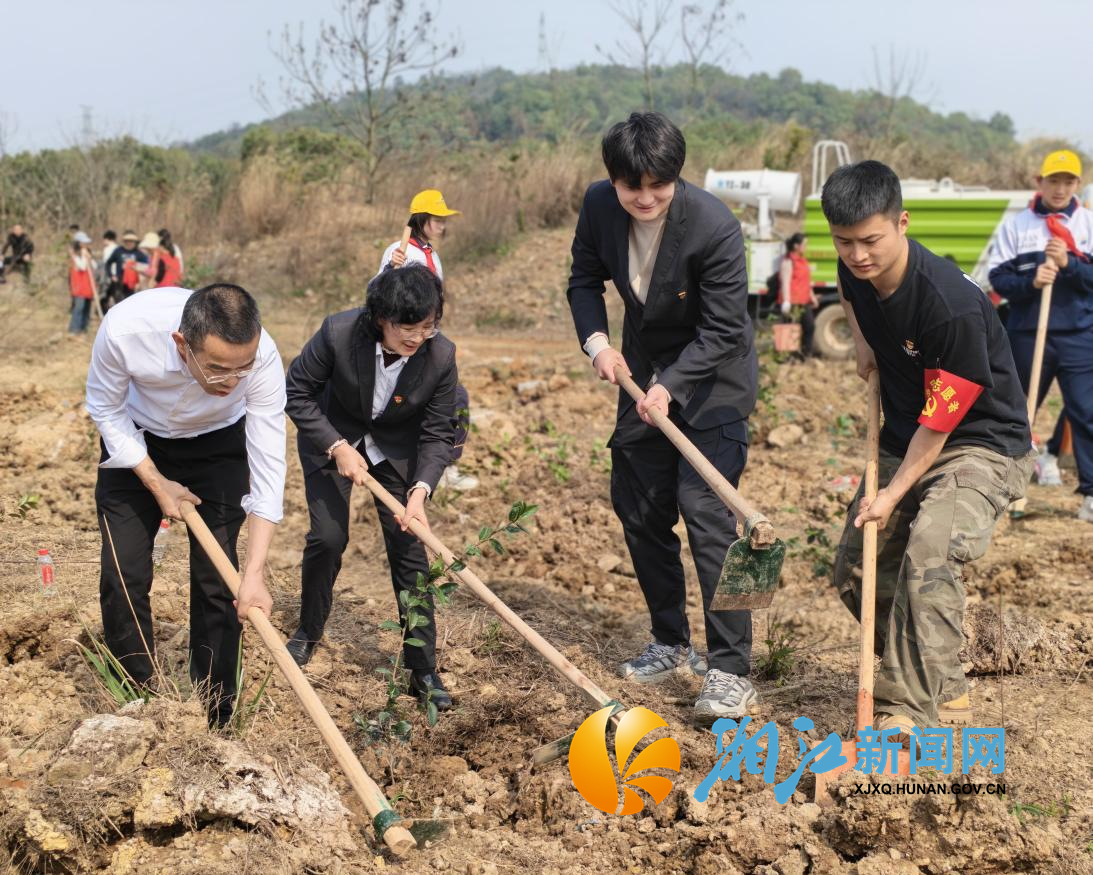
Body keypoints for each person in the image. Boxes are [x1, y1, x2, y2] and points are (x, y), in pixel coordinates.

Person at [823, 160, 1035, 737]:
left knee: (930, 552)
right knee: (855, 569)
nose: (858, 255)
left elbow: (940, 429)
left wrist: (891, 495)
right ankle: (938, 670)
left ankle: (907, 711)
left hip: (981, 445)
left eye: (871, 240)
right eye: (845, 242)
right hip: (907, 434)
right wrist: (865, 344)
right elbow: (846, 287)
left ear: (902, 222)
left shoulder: (948, 307)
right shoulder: (854, 272)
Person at [567, 112, 759, 725]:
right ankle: (671, 640)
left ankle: (732, 669)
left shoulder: (713, 225)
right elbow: (582, 281)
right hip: (640, 372)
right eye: (632, 188)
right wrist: (598, 343)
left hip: (715, 381)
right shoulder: (599, 207)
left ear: (677, 177)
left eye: (659, 186)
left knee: (706, 514)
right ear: (613, 181)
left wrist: (671, 386)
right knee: (641, 505)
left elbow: (726, 328)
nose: (645, 199)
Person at [85, 284, 287, 727]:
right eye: (216, 370)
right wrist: (157, 483)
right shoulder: (125, 330)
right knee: (123, 571)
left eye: (242, 370)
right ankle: (137, 699)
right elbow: (104, 405)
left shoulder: (264, 357)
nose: (231, 382)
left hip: (217, 446)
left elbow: (270, 462)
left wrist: (253, 575)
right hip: (136, 442)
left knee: (221, 581)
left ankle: (217, 712)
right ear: (182, 344)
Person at [284, 265, 456, 712]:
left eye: (428, 326)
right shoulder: (339, 334)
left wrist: (419, 492)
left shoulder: (440, 356)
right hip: (332, 439)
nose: (418, 337)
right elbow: (297, 391)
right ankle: (308, 632)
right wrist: (337, 446)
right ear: (381, 317)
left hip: (396, 451)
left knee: (410, 549)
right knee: (328, 537)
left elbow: (439, 432)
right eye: (407, 327)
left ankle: (423, 669)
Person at [988, 149, 1093, 522]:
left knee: (1086, 413)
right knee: (1018, 413)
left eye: (1068, 181)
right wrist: (1031, 282)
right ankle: (1006, 491)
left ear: (1077, 184)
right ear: (1039, 182)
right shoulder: (1018, 226)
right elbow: (997, 279)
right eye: (1053, 180)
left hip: (1079, 335)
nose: (1060, 188)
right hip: (1028, 333)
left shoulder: (1087, 224)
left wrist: (1070, 265)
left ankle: (1090, 496)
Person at [379, 189, 477, 493]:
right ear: (423, 219)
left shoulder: (431, 254)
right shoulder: (400, 250)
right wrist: (389, 269)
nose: (443, 225)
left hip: (429, 335)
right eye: (438, 219)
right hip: (405, 340)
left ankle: (443, 467)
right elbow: (379, 293)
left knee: (455, 399)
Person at [777, 233, 819, 358]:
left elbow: (806, 281)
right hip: (792, 301)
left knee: (809, 327)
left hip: (804, 301)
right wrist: (786, 301)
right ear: (796, 246)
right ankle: (785, 358)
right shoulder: (788, 261)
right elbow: (785, 282)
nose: (806, 247)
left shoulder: (803, 260)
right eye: (804, 244)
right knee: (789, 329)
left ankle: (805, 355)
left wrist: (812, 297)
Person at [105, 230, 150, 304]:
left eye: (131, 241)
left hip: (134, 285)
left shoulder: (138, 253)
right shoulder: (118, 251)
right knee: (120, 303)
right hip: (119, 283)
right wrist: (111, 275)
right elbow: (108, 263)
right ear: (124, 241)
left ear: (135, 242)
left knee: (131, 303)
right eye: (127, 241)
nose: (129, 243)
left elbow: (146, 266)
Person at [67, 232, 96, 335]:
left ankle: (84, 329)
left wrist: (89, 257)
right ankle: (74, 329)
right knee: (79, 308)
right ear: (79, 243)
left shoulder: (87, 253)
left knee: (87, 309)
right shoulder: (74, 255)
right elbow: (82, 266)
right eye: (84, 242)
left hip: (88, 287)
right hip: (79, 287)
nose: (86, 244)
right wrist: (84, 255)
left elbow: (94, 266)